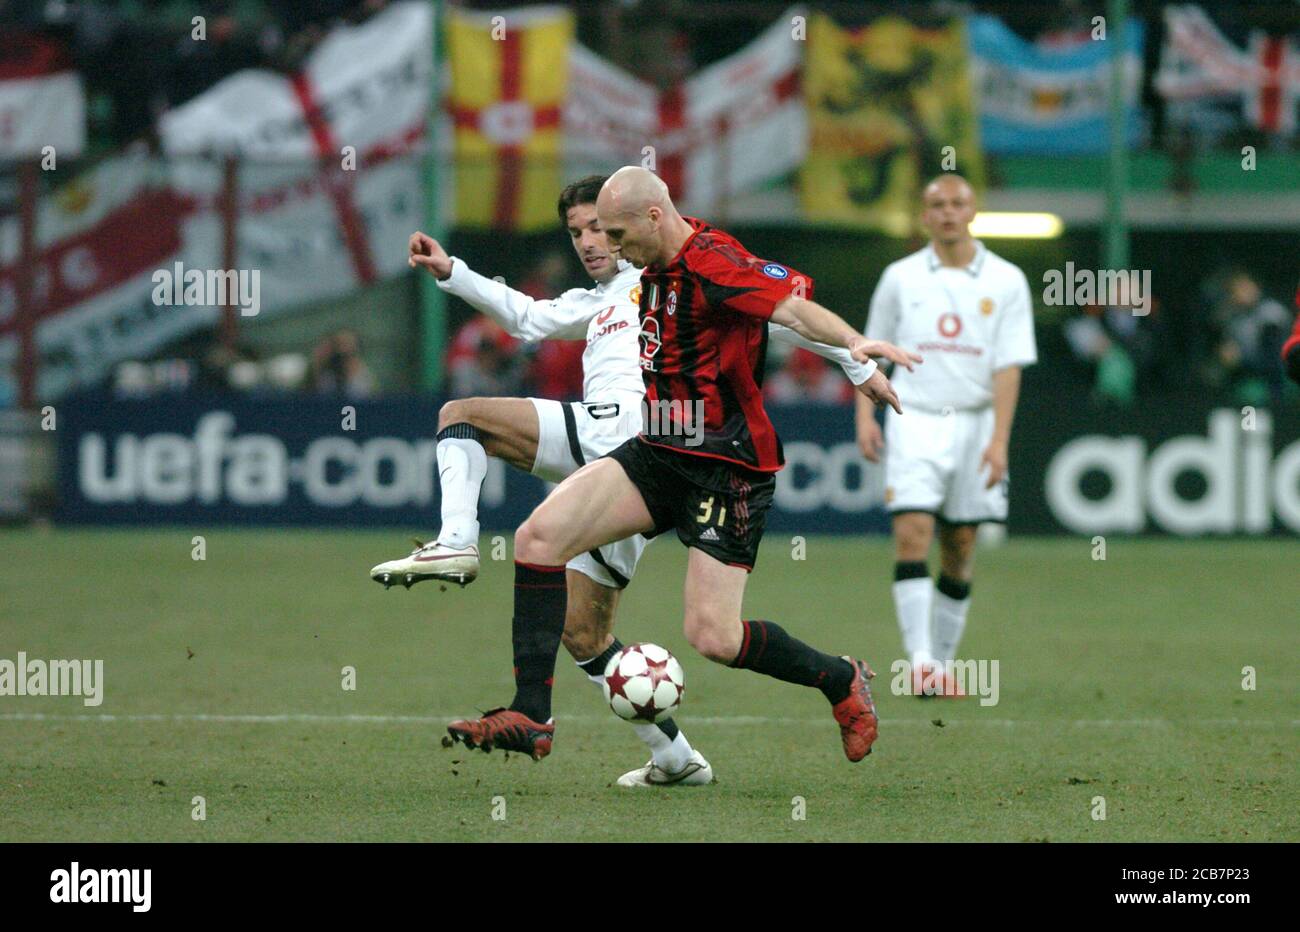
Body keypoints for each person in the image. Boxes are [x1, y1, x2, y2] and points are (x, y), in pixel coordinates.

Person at [372, 175, 886, 784]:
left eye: (605, 230)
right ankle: (542, 718)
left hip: (724, 467)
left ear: (646, 218)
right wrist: (453, 271)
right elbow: (530, 317)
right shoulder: (615, 290)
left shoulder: (708, 265)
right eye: (582, 233)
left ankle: (839, 678)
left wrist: (857, 358)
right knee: (547, 560)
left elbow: (787, 314)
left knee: (714, 637)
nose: (596, 243)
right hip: (651, 450)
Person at [855, 174, 1036, 697]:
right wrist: (866, 420)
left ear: (973, 211)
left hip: (976, 423)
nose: (949, 212)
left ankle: (942, 664)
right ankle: (918, 663)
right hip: (914, 416)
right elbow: (866, 353)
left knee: (960, 541)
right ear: (924, 215)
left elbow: (1009, 368)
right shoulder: (900, 277)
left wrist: (999, 440)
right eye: (938, 204)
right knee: (912, 532)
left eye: (959, 203)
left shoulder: (1006, 281)